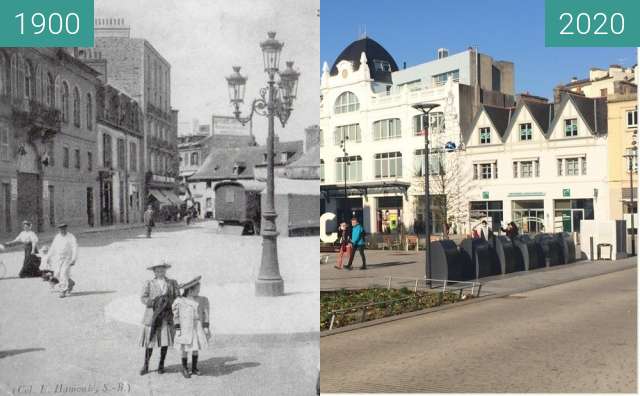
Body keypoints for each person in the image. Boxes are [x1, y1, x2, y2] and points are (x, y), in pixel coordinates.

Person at [139, 260, 180, 376]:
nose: (160, 272)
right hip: (152, 316)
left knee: (164, 342)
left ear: (165, 270)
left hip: (166, 316)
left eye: (162, 269)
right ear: (154, 271)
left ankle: (161, 365)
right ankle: (146, 365)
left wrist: (169, 302)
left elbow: (177, 297)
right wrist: (154, 302)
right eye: (158, 270)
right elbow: (143, 297)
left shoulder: (172, 283)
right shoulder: (149, 283)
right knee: (150, 342)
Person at [172, 276, 211, 378]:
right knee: (185, 348)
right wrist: (178, 329)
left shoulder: (202, 300)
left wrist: (206, 326)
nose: (198, 292)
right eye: (196, 290)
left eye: (199, 290)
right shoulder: (180, 301)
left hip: (197, 326)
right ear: (189, 290)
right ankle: (185, 368)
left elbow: (206, 313)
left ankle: (194, 367)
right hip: (185, 328)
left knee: (195, 347)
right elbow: (176, 316)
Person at [47, 224, 78, 298]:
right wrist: (48, 257)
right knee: (57, 273)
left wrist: (74, 259)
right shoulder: (57, 237)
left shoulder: (71, 237)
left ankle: (63, 290)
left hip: (67, 258)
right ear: (59, 230)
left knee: (63, 273)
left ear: (66, 229)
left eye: (63, 229)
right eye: (60, 229)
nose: (62, 230)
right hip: (58, 258)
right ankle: (70, 282)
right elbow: (53, 247)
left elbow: (75, 248)